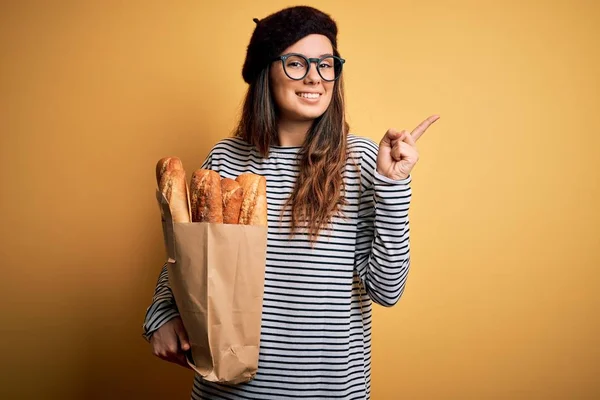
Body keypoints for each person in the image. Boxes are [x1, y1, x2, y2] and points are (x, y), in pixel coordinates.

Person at [142, 5, 439, 400]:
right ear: (267, 71)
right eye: (297, 63)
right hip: (228, 391)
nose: (316, 76)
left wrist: (393, 187)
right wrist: (161, 313)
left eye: (326, 63)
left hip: (330, 392)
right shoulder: (226, 159)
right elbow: (192, 257)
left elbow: (386, 290)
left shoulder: (365, 160)